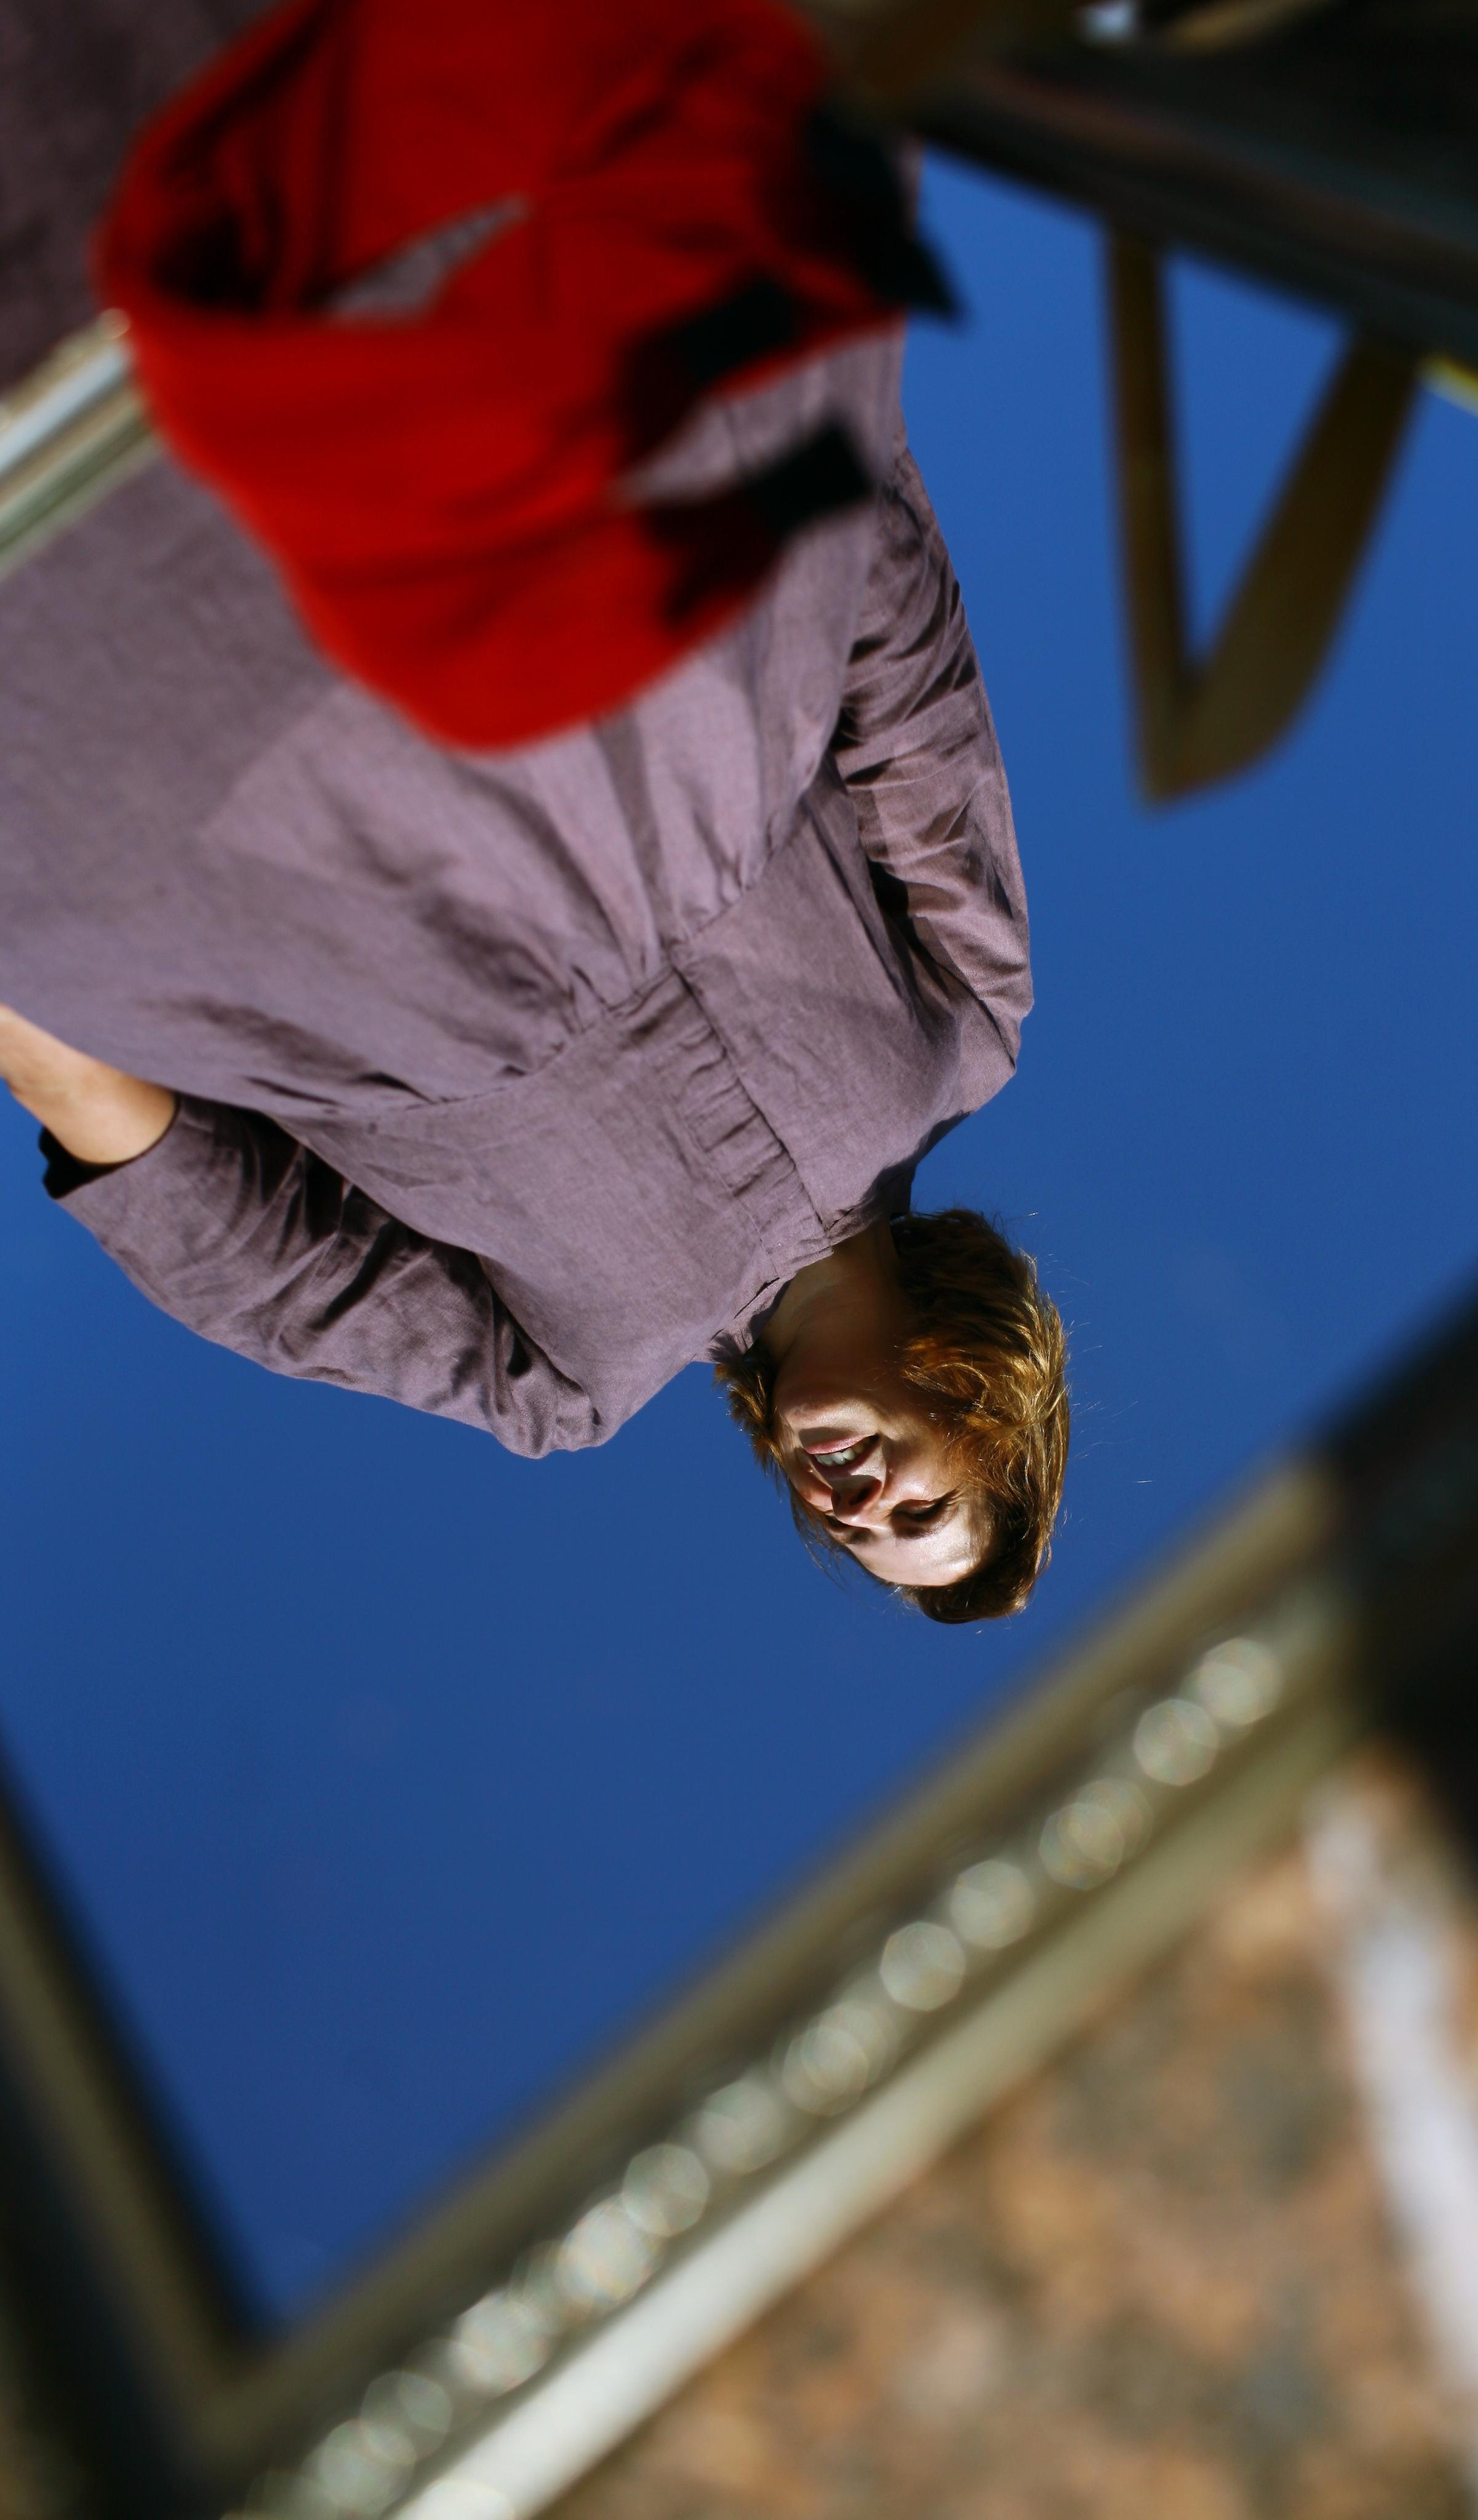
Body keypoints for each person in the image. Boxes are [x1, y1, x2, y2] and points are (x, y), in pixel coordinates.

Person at [0, 0, 1069, 1620]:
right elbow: (900, 682)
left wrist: (33, 1001)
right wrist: (792, 389)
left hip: (251, 889)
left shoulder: (558, 1385)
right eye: (917, 1504)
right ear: (977, 1402)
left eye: (856, 1541)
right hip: (604, 642)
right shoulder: (961, 1038)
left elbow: (252, 1253)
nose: (855, 1506)